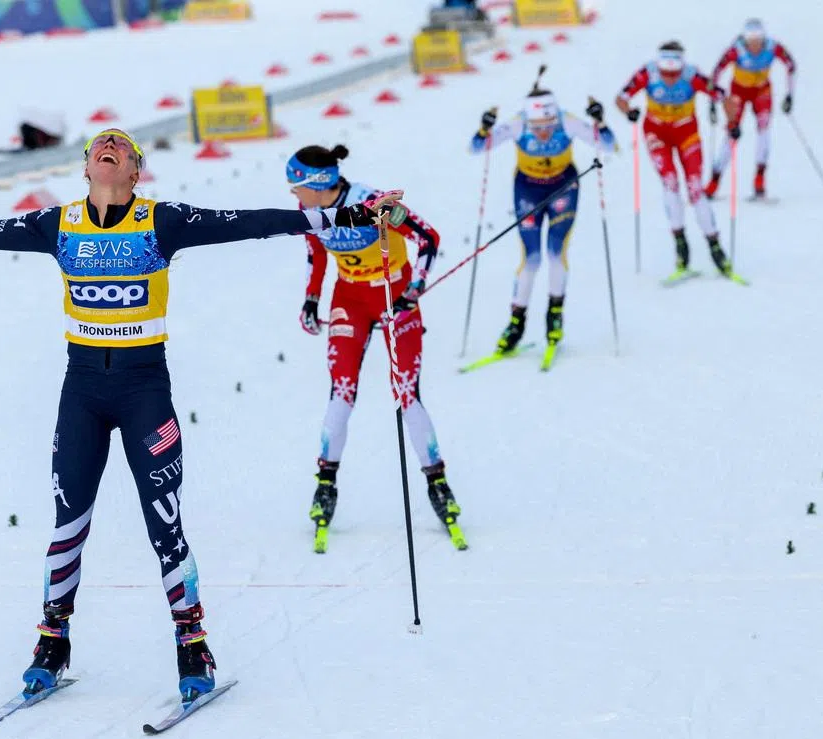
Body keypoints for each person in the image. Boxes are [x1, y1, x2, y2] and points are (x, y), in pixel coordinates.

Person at [0, 128, 391, 704]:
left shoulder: (162, 221)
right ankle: (52, 642)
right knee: (67, 521)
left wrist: (350, 215)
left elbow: (248, 221)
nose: (110, 148)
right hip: (82, 393)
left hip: (144, 390)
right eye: (100, 145)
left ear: (134, 172)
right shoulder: (59, 224)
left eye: (121, 148)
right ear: (86, 168)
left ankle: (192, 642)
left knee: (163, 523)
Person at [287, 145, 466, 553]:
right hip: (349, 299)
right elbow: (316, 251)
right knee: (342, 391)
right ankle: (325, 484)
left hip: (394, 296)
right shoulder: (309, 213)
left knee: (406, 392)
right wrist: (312, 298)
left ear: (318, 184)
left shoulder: (373, 203)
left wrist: (414, 288)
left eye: (296, 187)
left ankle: (437, 482)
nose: (292, 196)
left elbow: (428, 238)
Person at [469, 87, 616, 360]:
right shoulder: (517, 124)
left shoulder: (568, 121)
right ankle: (516, 323)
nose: (544, 132)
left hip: (564, 188)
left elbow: (608, 145)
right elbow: (477, 148)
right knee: (532, 259)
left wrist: (601, 121)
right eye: (537, 127)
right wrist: (483, 129)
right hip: (528, 190)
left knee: (556, 252)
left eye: (549, 125)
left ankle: (555, 315)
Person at [616, 41, 736, 282]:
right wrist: (628, 112)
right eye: (665, 74)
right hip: (656, 133)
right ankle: (681, 248)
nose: (670, 79)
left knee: (695, 190)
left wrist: (732, 123)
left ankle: (715, 247)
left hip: (686, 133)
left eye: (674, 74)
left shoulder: (693, 76)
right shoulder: (647, 73)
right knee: (670, 184)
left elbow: (724, 97)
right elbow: (621, 97)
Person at [704, 19, 796, 200]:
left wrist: (790, 95)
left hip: (762, 92)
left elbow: (791, 65)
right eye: (751, 41)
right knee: (732, 134)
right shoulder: (736, 49)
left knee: (764, 131)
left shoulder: (772, 47)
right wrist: (713, 102)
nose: (755, 46)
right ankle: (714, 182)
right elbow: (716, 72)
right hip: (739, 92)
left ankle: (759, 180)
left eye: (758, 41)